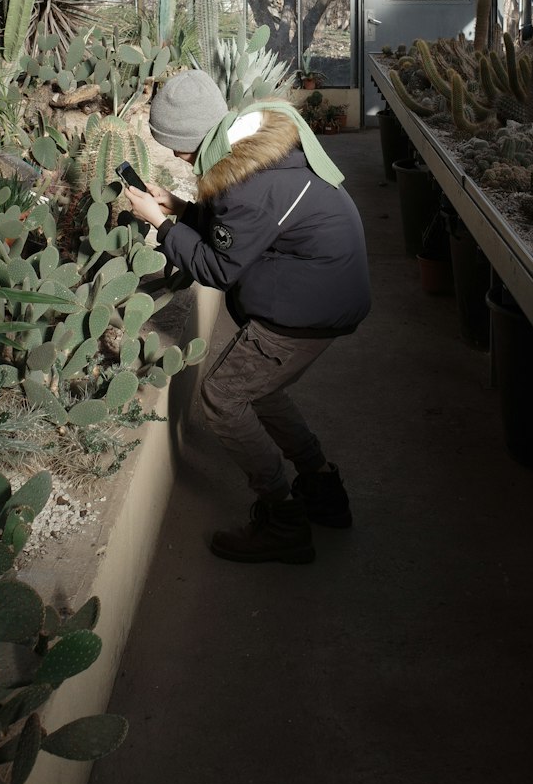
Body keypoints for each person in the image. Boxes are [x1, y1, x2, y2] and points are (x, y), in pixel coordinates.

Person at [124, 68, 371, 565]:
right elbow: (238, 226)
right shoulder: (252, 141)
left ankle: (282, 518)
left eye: (177, 147)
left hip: (314, 302)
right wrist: (179, 207)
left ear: (194, 139)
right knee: (261, 389)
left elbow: (217, 265)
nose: (175, 156)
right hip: (333, 284)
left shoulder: (244, 183)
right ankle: (322, 490)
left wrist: (161, 226)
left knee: (221, 396)